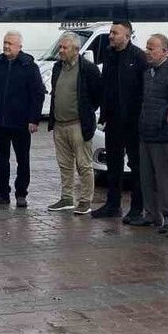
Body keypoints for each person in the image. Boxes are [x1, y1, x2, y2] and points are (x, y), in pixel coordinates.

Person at [0, 31, 45, 208]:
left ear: (19, 47)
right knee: (1, 162)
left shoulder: (29, 66)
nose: (6, 46)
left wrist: (34, 119)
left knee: (22, 161)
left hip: (21, 124)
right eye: (5, 42)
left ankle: (21, 194)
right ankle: (2, 193)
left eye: (10, 43)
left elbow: (38, 93)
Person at [94, 21, 148, 222]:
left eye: (115, 33)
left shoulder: (139, 58)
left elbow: (144, 90)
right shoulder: (109, 55)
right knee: (113, 164)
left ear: (127, 35)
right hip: (113, 119)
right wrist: (104, 113)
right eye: (110, 32)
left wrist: (140, 115)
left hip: (133, 121)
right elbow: (105, 86)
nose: (111, 36)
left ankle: (137, 207)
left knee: (136, 165)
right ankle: (112, 204)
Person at [46, 33, 103, 215]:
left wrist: (85, 114)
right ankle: (67, 198)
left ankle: (85, 200)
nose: (61, 51)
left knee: (84, 164)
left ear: (76, 50)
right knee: (64, 164)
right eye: (60, 47)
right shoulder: (57, 67)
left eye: (65, 48)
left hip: (78, 124)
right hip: (60, 124)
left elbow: (96, 96)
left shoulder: (88, 69)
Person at [137, 34, 168, 233]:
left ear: (164, 51)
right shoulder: (148, 73)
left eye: (151, 48)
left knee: (165, 179)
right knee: (146, 178)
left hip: (163, 135)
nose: (147, 52)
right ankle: (151, 214)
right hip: (146, 133)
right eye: (147, 48)